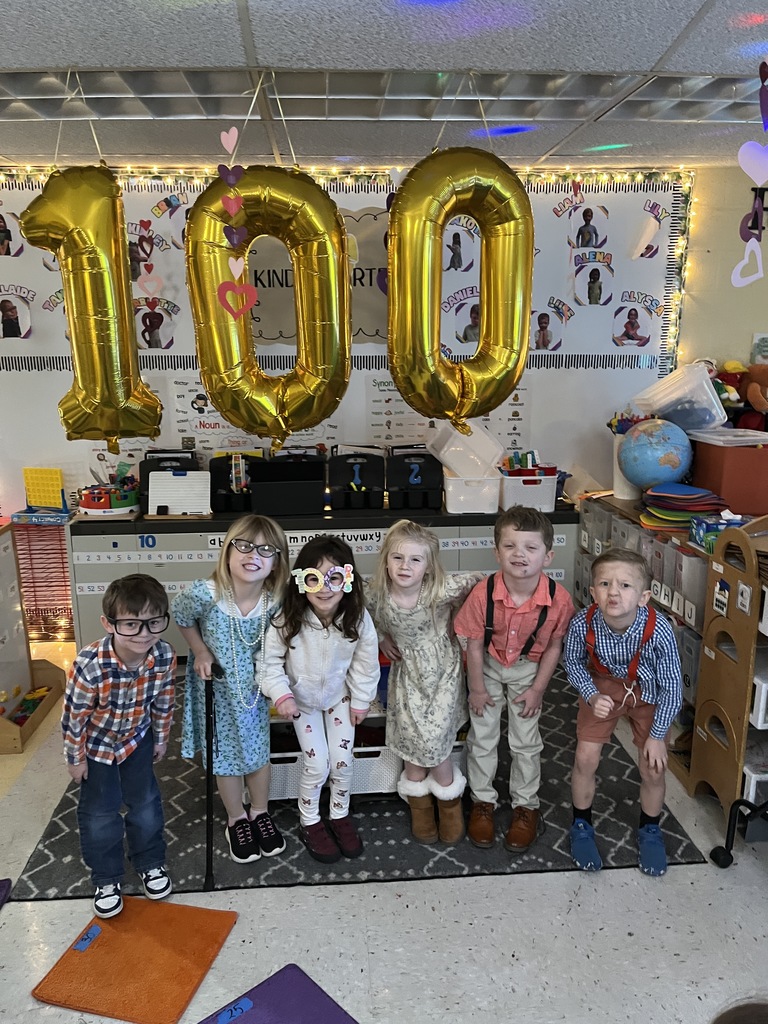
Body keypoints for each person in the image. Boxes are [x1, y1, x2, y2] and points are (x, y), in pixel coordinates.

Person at [454, 506, 575, 853]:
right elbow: (474, 645)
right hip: (487, 666)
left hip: (529, 668)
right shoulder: (482, 593)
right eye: (510, 547)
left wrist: (538, 690)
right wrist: (476, 689)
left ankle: (526, 805)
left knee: (526, 741)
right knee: (483, 736)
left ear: (548, 556)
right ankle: (482, 801)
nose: (519, 555)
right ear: (497, 552)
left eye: (531, 548)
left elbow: (554, 646)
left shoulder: (559, 600)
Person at [171, 514, 288, 865]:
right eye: (245, 545)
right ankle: (236, 817)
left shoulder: (275, 601)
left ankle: (261, 812)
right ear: (227, 551)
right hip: (218, 690)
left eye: (266, 550)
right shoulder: (205, 594)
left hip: (253, 691)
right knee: (226, 758)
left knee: (257, 752)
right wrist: (201, 651)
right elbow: (180, 616)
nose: (254, 555)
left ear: (276, 563)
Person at [61, 574, 176, 920]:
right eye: (131, 624)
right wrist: (75, 758)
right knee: (100, 813)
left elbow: (165, 701)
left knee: (145, 803)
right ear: (108, 624)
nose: (143, 634)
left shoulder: (165, 655)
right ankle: (107, 878)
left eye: (153, 622)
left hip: (137, 741)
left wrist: (161, 737)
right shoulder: (90, 665)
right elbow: (73, 718)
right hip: (96, 748)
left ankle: (150, 863)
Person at [563, 548, 683, 876]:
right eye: (604, 583)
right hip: (602, 686)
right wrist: (589, 693)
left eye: (625, 585)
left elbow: (673, 687)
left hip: (649, 692)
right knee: (585, 758)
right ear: (592, 592)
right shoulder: (582, 622)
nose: (614, 591)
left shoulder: (659, 630)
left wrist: (658, 736)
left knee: (654, 767)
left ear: (644, 596)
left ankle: (650, 829)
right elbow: (572, 662)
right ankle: (582, 825)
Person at [262, 535, 380, 864]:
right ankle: (310, 819)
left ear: (348, 580)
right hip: (301, 703)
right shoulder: (287, 618)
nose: (324, 588)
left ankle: (339, 814)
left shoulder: (357, 618)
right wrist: (281, 694)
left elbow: (365, 664)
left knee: (343, 762)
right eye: (313, 579)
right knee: (318, 764)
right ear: (301, 582)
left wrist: (361, 700)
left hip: (338, 699)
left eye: (334, 578)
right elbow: (269, 663)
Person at [366, 520, 485, 844]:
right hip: (407, 673)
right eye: (398, 558)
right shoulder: (377, 594)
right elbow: (360, 615)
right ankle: (421, 808)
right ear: (386, 560)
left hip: (442, 672)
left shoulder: (439, 589)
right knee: (410, 735)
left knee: (434, 739)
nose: (405, 566)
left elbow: (478, 582)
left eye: (415, 560)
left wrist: (460, 619)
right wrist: (381, 638)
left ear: (429, 566)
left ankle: (450, 805)